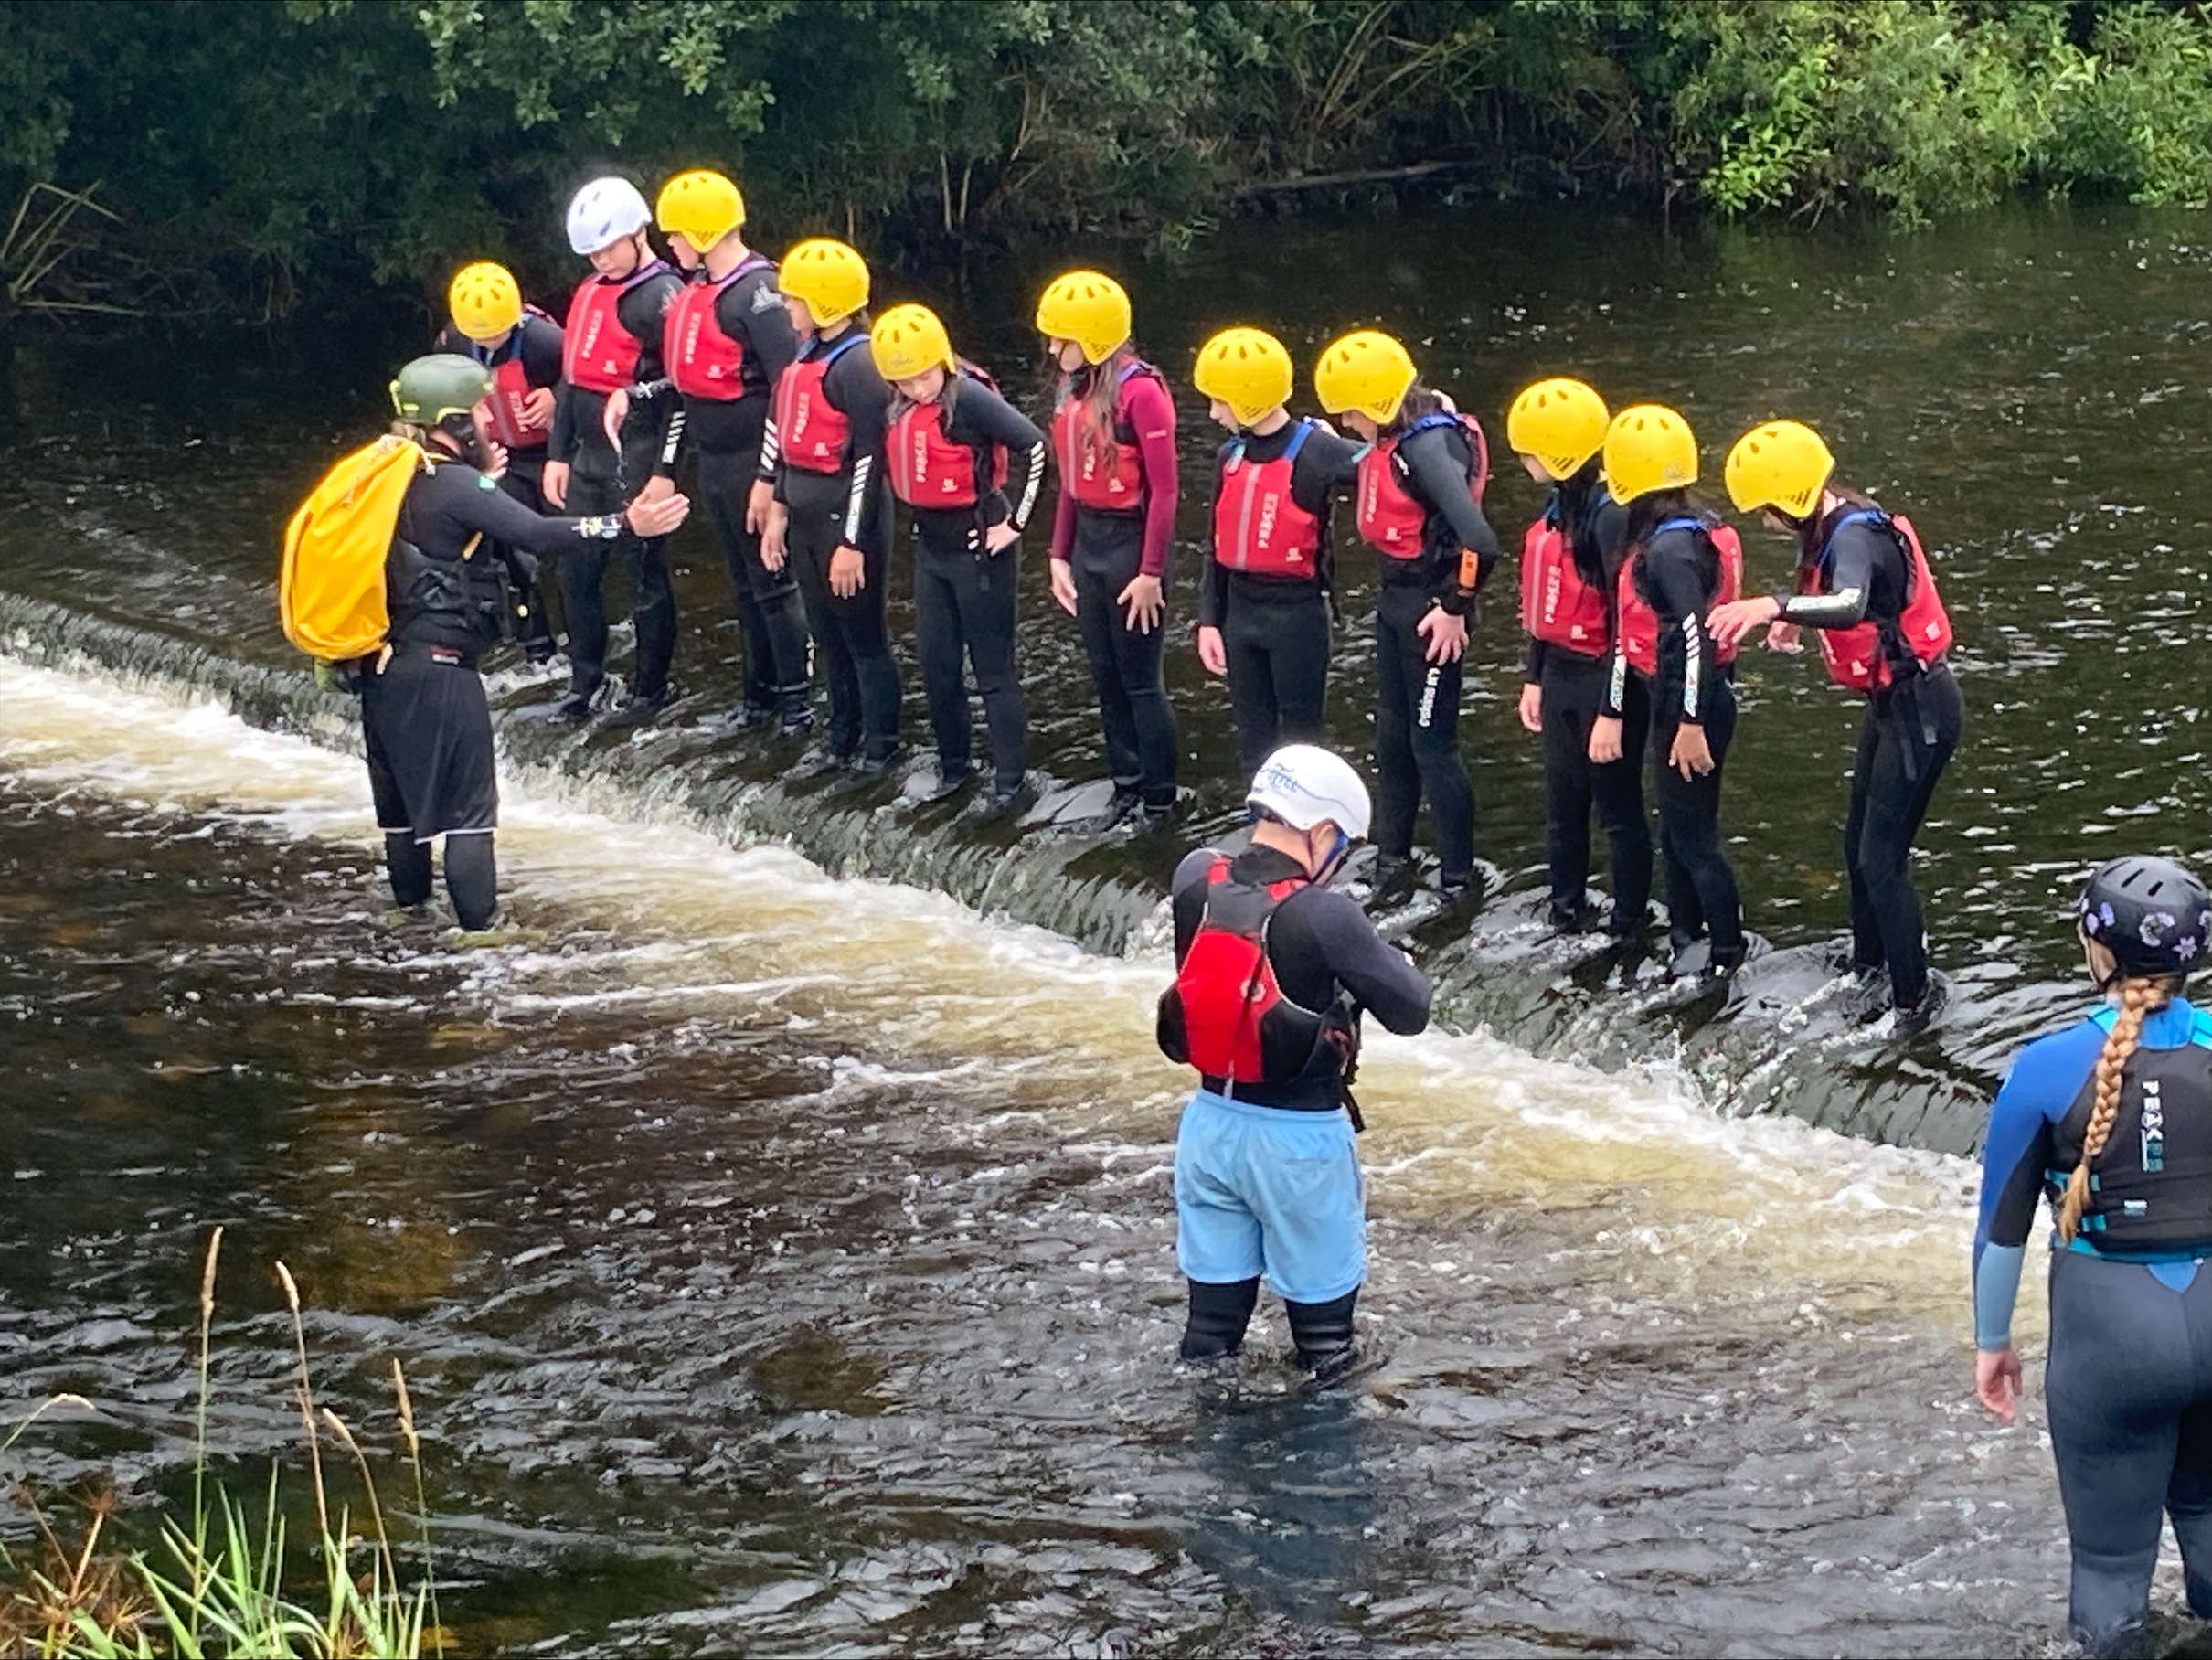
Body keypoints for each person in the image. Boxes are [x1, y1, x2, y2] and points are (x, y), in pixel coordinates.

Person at [1973, 855, 2212, 1658]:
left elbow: (2000, 1232)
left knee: (2111, 1575)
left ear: (2095, 950)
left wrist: (1992, 1345)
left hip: (2110, 1337)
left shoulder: (2043, 1069)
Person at [369, 356, 690, 925]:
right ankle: (480, 937)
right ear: (453, 423)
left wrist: (488, 472)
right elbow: (538, 533)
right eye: (480, 412)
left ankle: (409, 921)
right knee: (469, 817)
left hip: (380, 670)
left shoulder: (384, 473)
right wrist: (625, 524)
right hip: (441, 673)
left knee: (404, 815)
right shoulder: (453, 482)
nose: (491, 422)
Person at [1157, 744, 1432, 1385]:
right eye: (1341, 847)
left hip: (1209, 1130)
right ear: (1321, 831)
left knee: (1210, 1340)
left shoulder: (1195, 876)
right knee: (1327, 1350)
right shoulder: (1323, 913)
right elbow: (1411, 1010)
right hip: (1298, 1146)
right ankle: (1323, 1475)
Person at [1709, 420, 1962, 1016]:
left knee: (1882, 859)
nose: (1764, 522)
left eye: (1765, 510)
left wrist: (1770, 605)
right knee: (1858, 847)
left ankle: (1911, 999)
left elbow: (1850, 603)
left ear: (1788, 500)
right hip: (1893, 706)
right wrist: (1793, 614)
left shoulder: (1852, 534)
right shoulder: (1834, 519)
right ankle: (1867, 969)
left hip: (1921, 709)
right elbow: (1838, 583)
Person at [602, 168, 808, 734]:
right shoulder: (695, 292)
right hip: (716, 462)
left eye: (675, 234)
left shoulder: (757, 294)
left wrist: (770, 480)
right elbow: (685, 389)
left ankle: (799, 705)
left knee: (773, 584)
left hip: (754, 460)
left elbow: (789, 392)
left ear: (704, 231)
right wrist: (664, 462)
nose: (667, 244)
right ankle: (759, 701)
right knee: (744, 587)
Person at [1312, 330, 1500, 898]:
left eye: (1348, 412)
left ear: (1374, 402)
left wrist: (1455, 607)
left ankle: (1459, 878)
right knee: (1392, 737)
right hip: (1395, 601)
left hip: (1430, 610)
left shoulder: (1425, 447)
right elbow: (1367, 468)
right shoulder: (1391, 438)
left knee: (1431, 745)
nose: (1346, 423)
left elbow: (1481, 542)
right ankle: (1391, 860)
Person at [1592, 404, 1745, 978]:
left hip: (1694, 701)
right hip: (1684, 694)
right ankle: (1687, 941)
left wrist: (1690, 723)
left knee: (1694, 836)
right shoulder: (1698, 529)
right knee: (1678, 832)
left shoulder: (1668, 551)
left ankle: (1725, 953)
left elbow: (1695, 636)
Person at [871, 303, 1045, 805]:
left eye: (925, 377)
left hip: (978, 547)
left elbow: (1034, 450)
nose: (919, 389)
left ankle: (1010, 785)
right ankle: (954, 770)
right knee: (936, 663)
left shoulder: (967, 397)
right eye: (906, 382)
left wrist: (1016, 524)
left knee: (992, 669)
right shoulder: (898, 401)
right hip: (931, 547)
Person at [1508, 377, 1651, 939]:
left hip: (1604, 678)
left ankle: (1628, 921)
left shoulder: (1610, 516)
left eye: (1530, 450)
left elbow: (1626, 622)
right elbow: (1546, 601)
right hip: (1562, 672)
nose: (1521, 459)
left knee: (1616, 810)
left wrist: (1613, 711)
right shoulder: (1558, 506)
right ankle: (1565, 911)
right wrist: (1533, 676)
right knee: (1563, 805)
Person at [1037, 270, 1179, 828]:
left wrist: (1150, 572)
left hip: (1130, 547)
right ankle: (1125, 785)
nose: (1053, 349)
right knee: (1104, 673)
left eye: (1062, 340)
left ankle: (1160, 799)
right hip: (1090, 546)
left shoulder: (1142, 393)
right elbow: (1072, 480)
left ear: (1094, 338)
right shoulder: (1074, 390)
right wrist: (1056, 554)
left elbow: (1166, 490)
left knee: (1141, 680)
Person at [543, 176, 685, 727]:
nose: (602, 259)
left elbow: (682, 390)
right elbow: (571, 379)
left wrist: (666, 471)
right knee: (574, 573)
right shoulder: (588, 291)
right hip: (588, 457)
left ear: (638, 233)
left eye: (609, 247)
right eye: (592, 252)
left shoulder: (664, 296)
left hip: (640, 453)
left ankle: (650, 690)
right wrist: (557, 452)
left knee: (646, 575)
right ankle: (585, 683)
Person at [1190, 326, 1361, 781]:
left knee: (1301, 743)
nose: (1212, 412)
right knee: (1253, 742)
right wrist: (1209, 620)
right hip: (1240, 617)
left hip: (1298, 617)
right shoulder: (1229, 454)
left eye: (1219, 401)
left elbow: (1391, 470)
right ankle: (1261, 834)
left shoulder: (1321, 452)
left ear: (1246, 400)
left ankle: (1305, 838)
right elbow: (1214, 547)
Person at [758, 238, 901, 774]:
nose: (788, 308)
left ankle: (880, 746)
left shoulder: (859, 364)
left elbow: (870, 461)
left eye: (795, 300)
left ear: (825, 303)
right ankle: (841, 739)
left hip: (848, 516)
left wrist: (851, 544)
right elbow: (785, 444)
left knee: (864, 638)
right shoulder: (808, 352)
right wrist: (777, 511)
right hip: (805, 513)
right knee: (828, 634)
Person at [434, 261, 566, 662]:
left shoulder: (545, 341)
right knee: (513, 551)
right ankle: (537, 645)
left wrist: (556, 396)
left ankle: (579, 635)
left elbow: (585, 384)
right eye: (481, 335)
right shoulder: (453, 342)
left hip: (551, 455)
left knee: (564, 548)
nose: (489, 342)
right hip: (502, 454)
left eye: (497, 333)